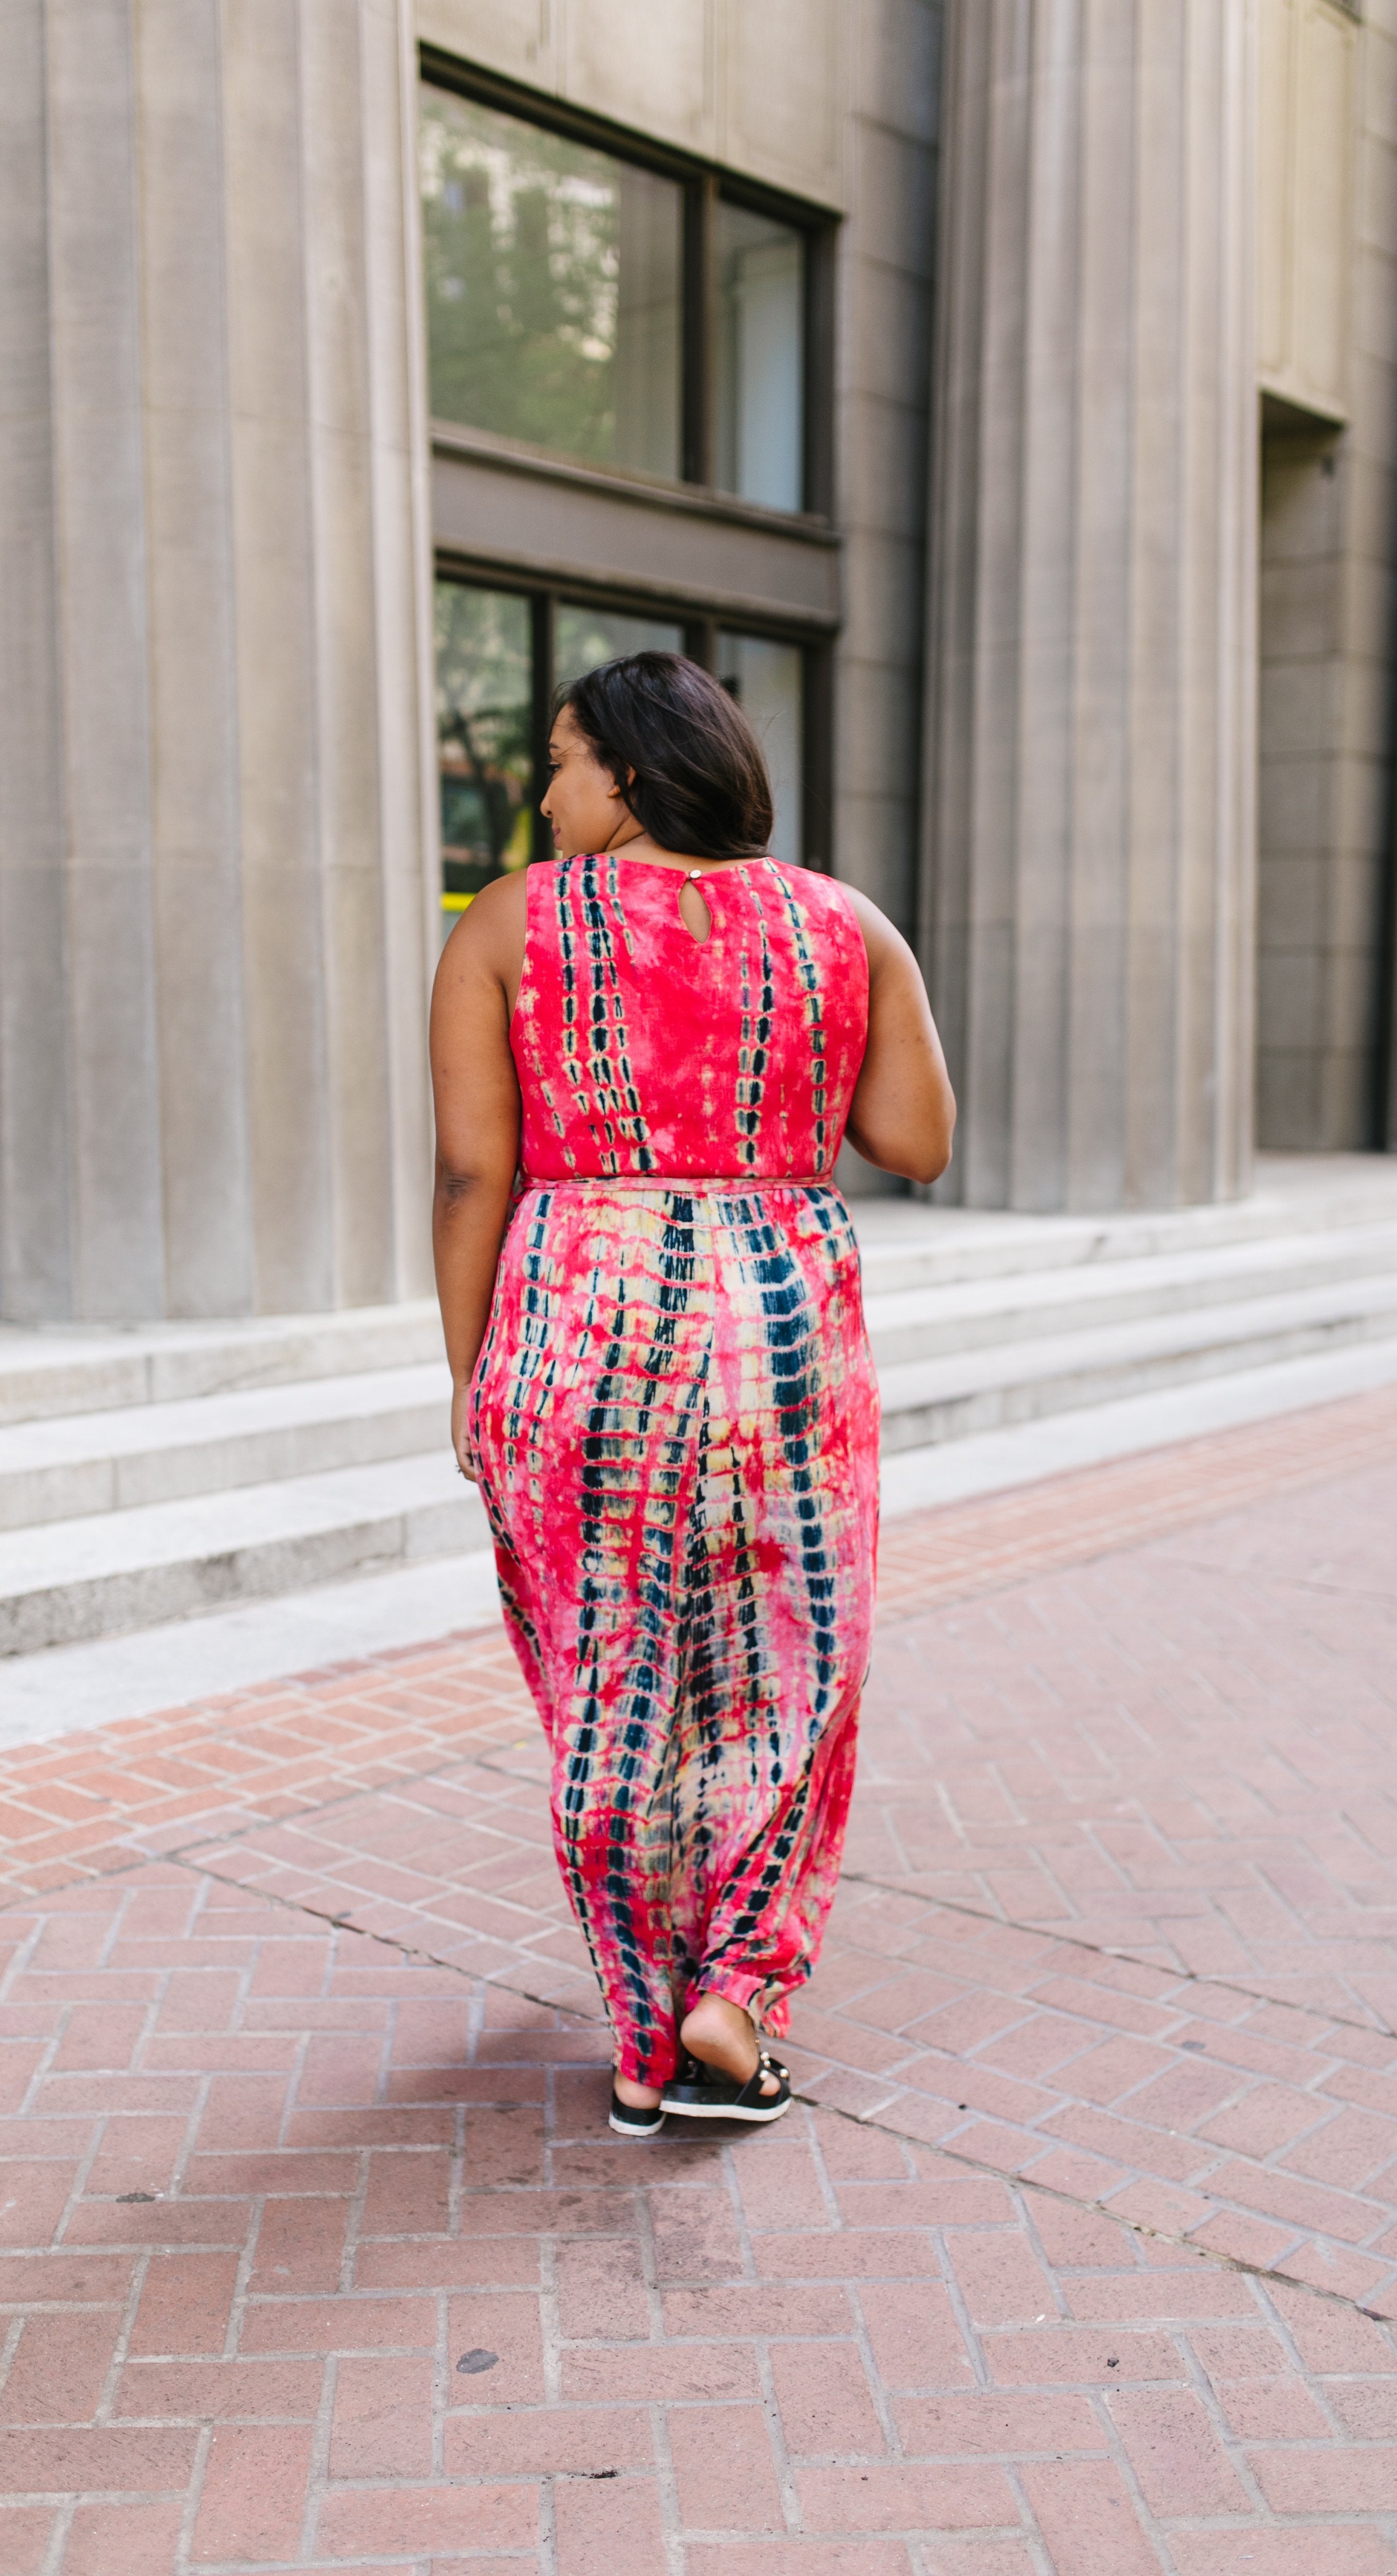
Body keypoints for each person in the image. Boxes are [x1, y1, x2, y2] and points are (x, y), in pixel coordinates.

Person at [429, 652, 954, 2138]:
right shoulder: (843, 921)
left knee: (611, 1677)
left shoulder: (514, 924)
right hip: (783, 1316)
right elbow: (916, 1139)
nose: (545, 790)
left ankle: (648, 2037)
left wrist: (472, 1379)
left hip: (577, 1315)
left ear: (630, 775)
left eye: (560, 761)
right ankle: (740, 1989)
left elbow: (473, 1169)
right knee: (796, 1664)